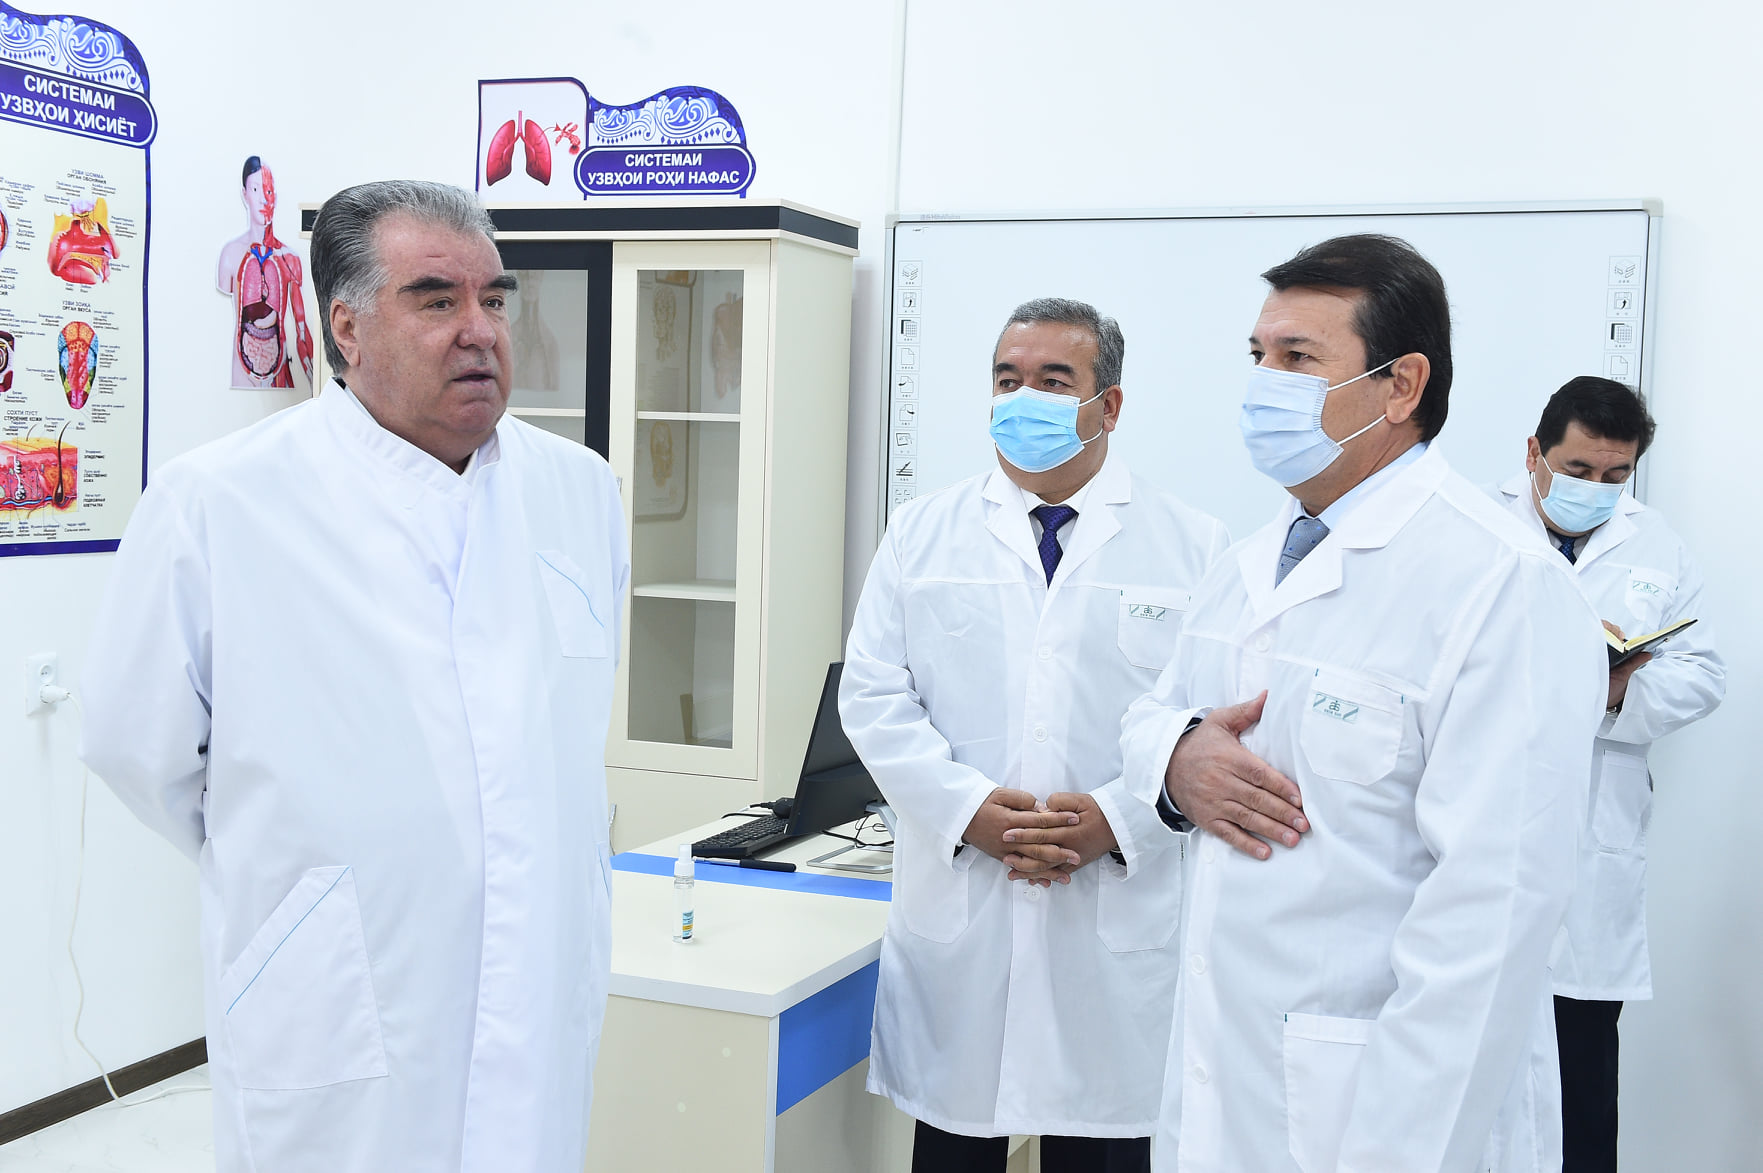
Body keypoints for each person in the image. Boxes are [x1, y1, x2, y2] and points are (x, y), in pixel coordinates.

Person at [80, 180, 627, 1172]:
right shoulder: (221, 502)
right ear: (347, 327)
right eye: (436, 300)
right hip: (337, 994)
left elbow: (562, 728)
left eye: (493, 299)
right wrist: (309, 869)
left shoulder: (578, 490)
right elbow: (137, 748)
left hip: (539, 979)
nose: (479, 331)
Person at [1107, 235, 1607, 1172]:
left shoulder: (1501, 582)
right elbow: (1150, 714)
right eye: (1258, 355)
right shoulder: (1246, 565)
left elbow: (1491, 913)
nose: (1263, 383)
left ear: (1400, 385)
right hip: (1223, 1074)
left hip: (1375, 1105)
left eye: (1297, 357)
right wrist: (1176, 756)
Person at [840, 298, 1229, 1173]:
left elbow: (1205, 721)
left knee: (1102, 1140)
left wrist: (1115, 820)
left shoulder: (1191, 545)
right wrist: (969, 811)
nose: (1023, 400)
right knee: (955, 1139)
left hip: (1112, 907)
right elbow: (873, 694)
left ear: (1108, 405)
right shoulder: (920, 532)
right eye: (1006, 380)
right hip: (965, 905)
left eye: (1054, 382)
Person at [1489, 376, 1724, 1172]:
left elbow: (1701, 675)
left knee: (1581, 1092)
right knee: (1469, 1090)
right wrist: (1547, 674)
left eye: (1615, 474)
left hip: (1592, 852)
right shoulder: (1472, 531)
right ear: (1534, 452)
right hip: (1478, 838)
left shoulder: (1656, 544)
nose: (1596, 487)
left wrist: (1611, 687)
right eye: (1578, 469)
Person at [216, 156, 315, 389]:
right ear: (244, 194)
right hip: (241, 377)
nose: (263, 199)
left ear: (275, 197)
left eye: (268, 191)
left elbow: (301, 328)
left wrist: (316, 386)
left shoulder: (289, 258)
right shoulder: (230, 254)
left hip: (279, 377)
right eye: (255, 189)